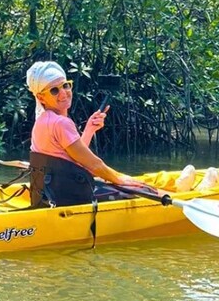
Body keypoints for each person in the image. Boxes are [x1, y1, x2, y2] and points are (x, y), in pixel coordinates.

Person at [25, 61, 146, 207]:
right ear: (41, 98)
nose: (63, 93)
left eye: (65, 85)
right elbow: (94, 165)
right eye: (54, 90)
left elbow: (72, 159)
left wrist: (89, 129)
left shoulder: (42, 121)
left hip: (50, 195)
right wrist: (120, 179)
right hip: (68, 197)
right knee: (143, 190)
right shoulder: (61, 123)